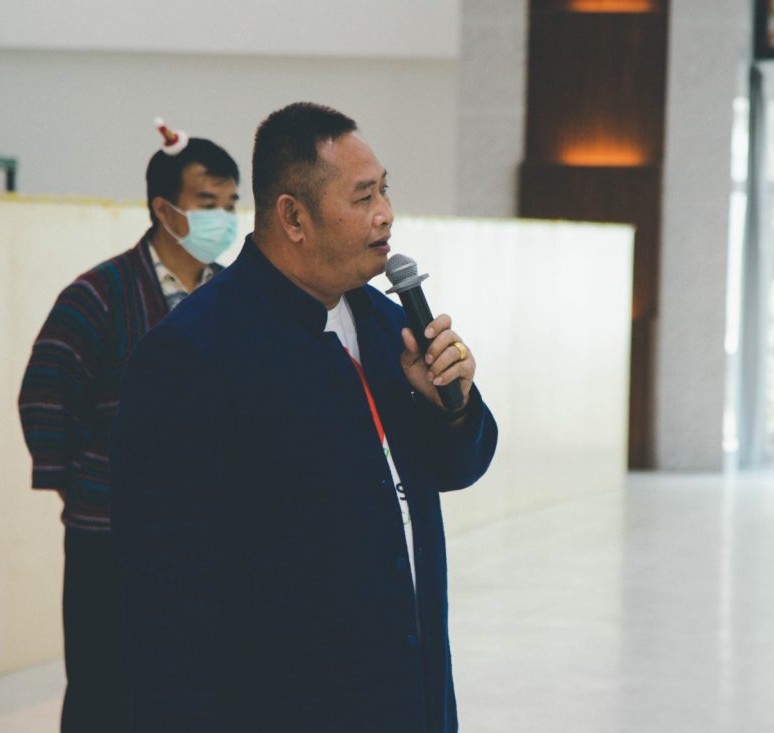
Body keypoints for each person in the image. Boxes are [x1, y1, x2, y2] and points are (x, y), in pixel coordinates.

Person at [110, 102, 498, 733]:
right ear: (293, 216)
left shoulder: (386, 322)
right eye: (363, 197)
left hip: (408, 697)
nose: (385, 214)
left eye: (385, 190)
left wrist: (452, 410)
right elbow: (167, 595)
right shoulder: (194, 354)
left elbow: (455, 468)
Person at [17, 123, 240, 732]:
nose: (223, 219)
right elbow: (44, 396)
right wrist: (88, 489)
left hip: (206, 536)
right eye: (207, 203)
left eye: (230, 205)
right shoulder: (98, 294)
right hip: (108, 539)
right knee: (103, 690)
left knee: (192, 686)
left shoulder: (232, 296)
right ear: (164, 209)